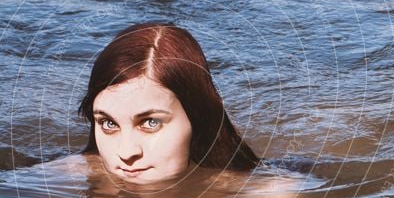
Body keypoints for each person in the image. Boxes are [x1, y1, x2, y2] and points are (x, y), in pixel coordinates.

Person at [76, 21, 259, 183]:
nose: (126, 153)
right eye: (108, 124)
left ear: (197, 119)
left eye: (150, 122)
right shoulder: (56, 177)